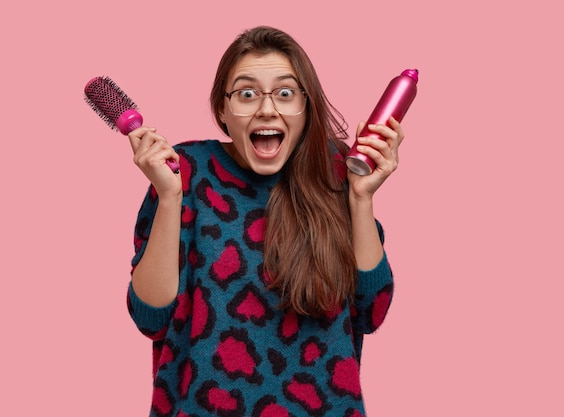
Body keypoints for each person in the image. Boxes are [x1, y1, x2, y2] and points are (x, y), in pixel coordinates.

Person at [126, 26, 404, 417]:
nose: (267, 109)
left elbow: (370, 311)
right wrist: (170, 198)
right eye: (246, 94)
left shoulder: (337, 171)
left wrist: (361, 198)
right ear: (222, 110)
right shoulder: (183, 172)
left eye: (286, 93)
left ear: (306, 107)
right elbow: (150, 318)